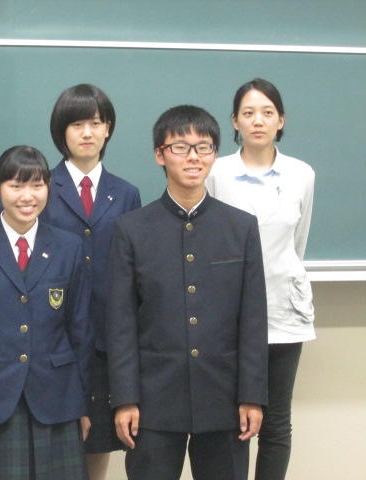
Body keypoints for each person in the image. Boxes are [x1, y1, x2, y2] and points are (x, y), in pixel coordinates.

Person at [106, 105, 268, 480]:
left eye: (203, 147)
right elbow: (121, 322)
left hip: (224, 396)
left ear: (214, 154)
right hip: (153, 399)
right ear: (159, 154)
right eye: (180, 147)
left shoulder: (241, 227)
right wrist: (125, 398)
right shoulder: (132, 229)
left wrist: (252, 395)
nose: (193, 157)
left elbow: (253, 319)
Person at [0, 145, 93, 480]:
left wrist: (82, 404)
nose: (27, 196)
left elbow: (80, 330)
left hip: (55, 399)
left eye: (37, 185)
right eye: (16, 185)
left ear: (48, 188)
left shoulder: (69, 247)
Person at [206, 78, 315, 480]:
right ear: (234, 120)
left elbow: (297, 243)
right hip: (228, 315)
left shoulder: (302, 174)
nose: (258, 121)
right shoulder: (216, 172)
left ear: (280, 120)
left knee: (276, 421)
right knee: (232, 418)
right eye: (248, 113)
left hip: (283, 311)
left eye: (267, 112)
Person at [41, 83, 141, 480]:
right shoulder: (40, 188)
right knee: (53, 440)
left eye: (96, 123)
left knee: (98, 440)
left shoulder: (126, 193)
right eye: (77, 124)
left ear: (108, 128)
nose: (87, 132)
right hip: (52, 335)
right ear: (61, 131)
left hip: (104, 339)